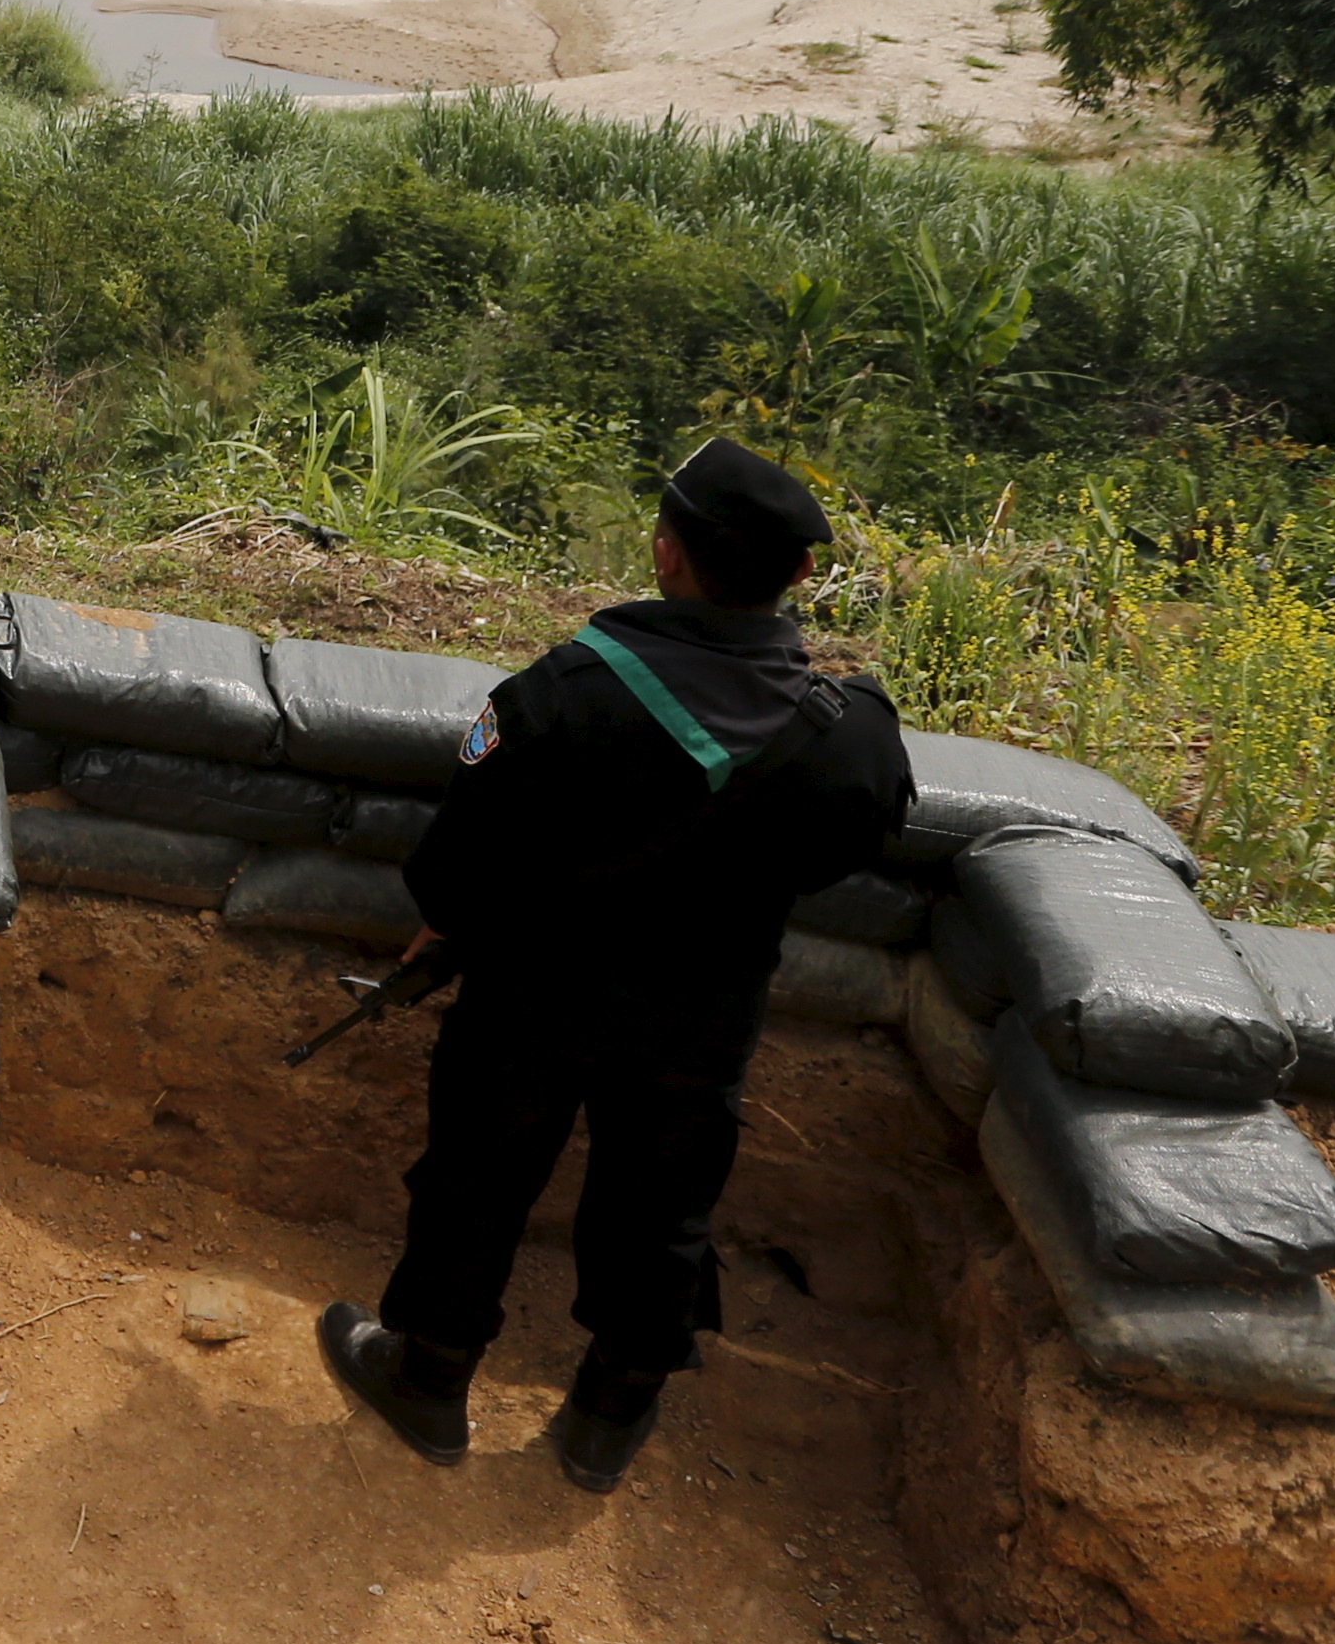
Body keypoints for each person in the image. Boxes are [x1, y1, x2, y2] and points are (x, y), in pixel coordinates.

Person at [313, 436, 907, 1492]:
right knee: (662, 1207)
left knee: (479, 1181)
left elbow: (452, 867)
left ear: (665, 552)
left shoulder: (558, 698)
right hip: (704, 1014)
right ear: (802, 575)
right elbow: (841, 855)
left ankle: (431, 1377)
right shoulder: (846, 735)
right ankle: (609, 1414)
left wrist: (455, 922)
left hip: (533, 999)